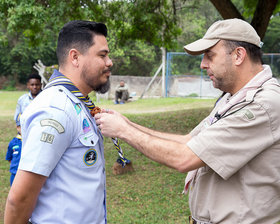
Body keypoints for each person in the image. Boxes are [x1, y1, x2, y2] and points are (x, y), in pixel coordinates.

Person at [95, 19, 280, 223]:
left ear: (238, 55)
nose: (203, 64)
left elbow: (185, 158)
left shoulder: (262, 104)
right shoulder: (233, 97)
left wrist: (124, 131)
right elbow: (188, 141)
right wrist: (126, 123)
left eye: (210, 55)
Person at [5, 20, 113, 224]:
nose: (109, 62)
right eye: (102, 55)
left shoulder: (77, 102)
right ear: (75, 57)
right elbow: (20, 199)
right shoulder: (56, 109)